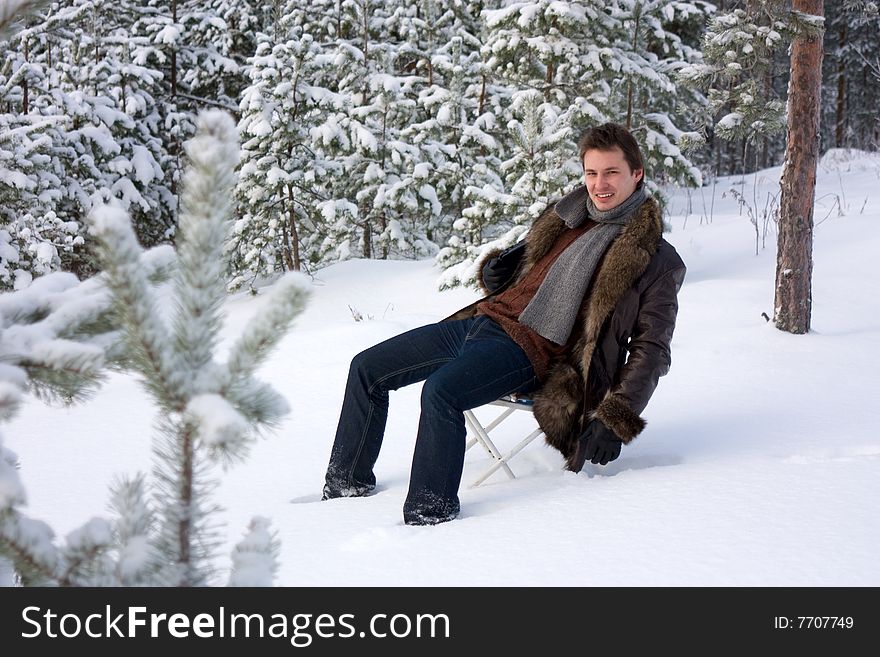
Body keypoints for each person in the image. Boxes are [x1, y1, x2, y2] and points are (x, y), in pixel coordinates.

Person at [322, 122, 686, 526]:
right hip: (481, 323)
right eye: (591, 173)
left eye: (611, 173)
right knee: (367, 368)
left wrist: (617, 417)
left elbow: (652, 349)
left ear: (636, 174)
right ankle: (346, 485)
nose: (599, 184)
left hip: (530, 351)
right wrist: (498, 274)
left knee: (441, 392)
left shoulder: (655, 259)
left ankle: (430, 512)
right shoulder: (567, 215)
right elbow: (525, 270)